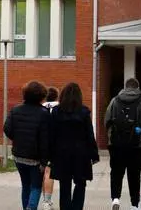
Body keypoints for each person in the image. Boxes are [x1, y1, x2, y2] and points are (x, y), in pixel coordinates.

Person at [48, 82, 99, 210]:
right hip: (81, 153)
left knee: (64, 185)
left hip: (61, 153)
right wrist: (94, 154)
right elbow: (89, 135)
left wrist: (49, 154)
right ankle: (77, 207)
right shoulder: (84, 112)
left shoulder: (56, 112)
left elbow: (51, 134)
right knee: (81, 183)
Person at [106, 78, 141, 210]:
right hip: (136, 145)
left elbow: (107, 120)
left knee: (116, 172)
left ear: (125, 87)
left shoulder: (115, 100)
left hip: (117, 145)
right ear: (137, 87)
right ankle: (134, 204)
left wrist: (111, 137)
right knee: (134, 175)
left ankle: (115, 199)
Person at [4, 81, 50, 210]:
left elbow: (7, 129)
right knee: (36, 186)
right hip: (36, 158)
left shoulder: (15, 110)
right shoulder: (44, 113)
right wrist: (44, 161)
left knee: (25, 185)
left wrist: (17, 139)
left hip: (18, 155)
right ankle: (31, 207)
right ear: (41, 96)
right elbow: (45, 139)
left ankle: (26, 207)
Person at [40, 86, 61, 210]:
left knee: (44, 172)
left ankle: (46, 200)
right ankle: (47, 202)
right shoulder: (60, 107)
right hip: (54, 144)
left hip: (41, 143)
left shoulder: (40, 107)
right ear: (57, 96)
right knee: (49, 172)